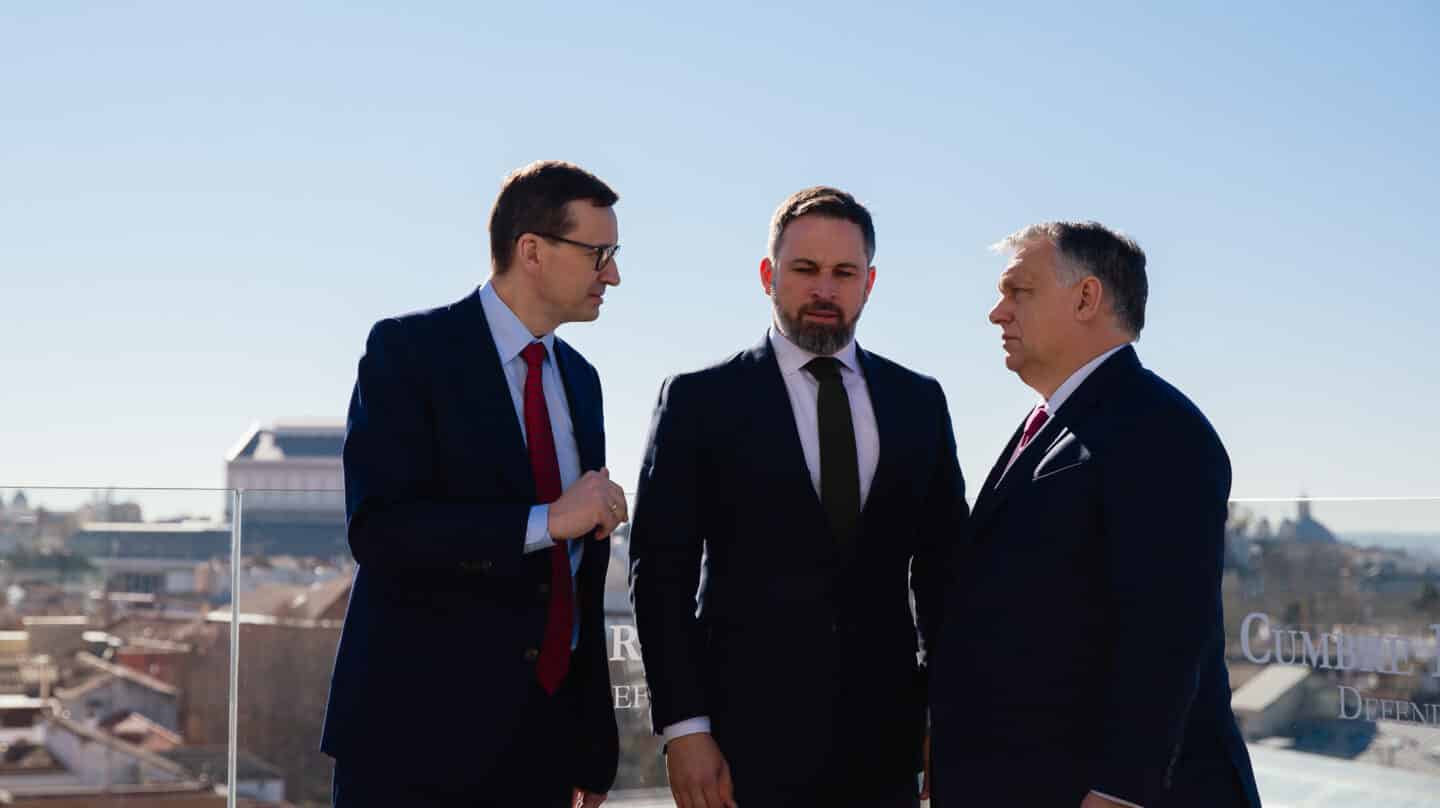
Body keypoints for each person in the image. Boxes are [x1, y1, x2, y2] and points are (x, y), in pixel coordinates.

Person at [628, 186, 967, 808]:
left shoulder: (920, 402)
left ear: (870, 283)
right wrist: (685, 729)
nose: (824, 290)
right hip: (741, 748)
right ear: (768, 275)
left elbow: (944, 577)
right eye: (804, 270)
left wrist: (948, 720)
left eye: (844, 273)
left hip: (885, 748)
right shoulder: (700, 401)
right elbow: (660, 577)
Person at [322, 160, 627, 808]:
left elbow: (577, 580)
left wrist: (592, 744)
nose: (614, 274)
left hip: (541, 753)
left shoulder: (583, 381)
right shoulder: (409, 351)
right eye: (598, 253)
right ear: (532, 251)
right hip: (411, 749)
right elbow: (380, 530)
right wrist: (548, 519)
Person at [929, 222, 1262, 807]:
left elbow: (1164, 635)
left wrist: (1119, 793)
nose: (996, 313)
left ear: (1086, 297)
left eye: (1018, 291)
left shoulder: (1160, 431)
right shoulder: (1059, 422)